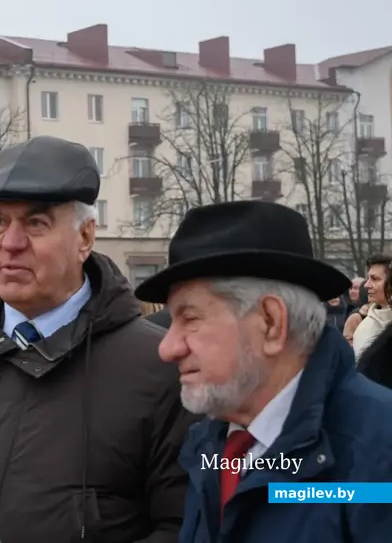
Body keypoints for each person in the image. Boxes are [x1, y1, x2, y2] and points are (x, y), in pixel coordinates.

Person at [0, 135, 193, 542]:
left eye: (35, 223)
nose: (11, 243)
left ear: (85, 238)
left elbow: (181, 526)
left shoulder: (157, 369)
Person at [140, 201, 392, 541]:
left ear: (271, 323)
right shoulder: (212, 443)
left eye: (191, 319)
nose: (167, 348)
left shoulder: (378, 457)